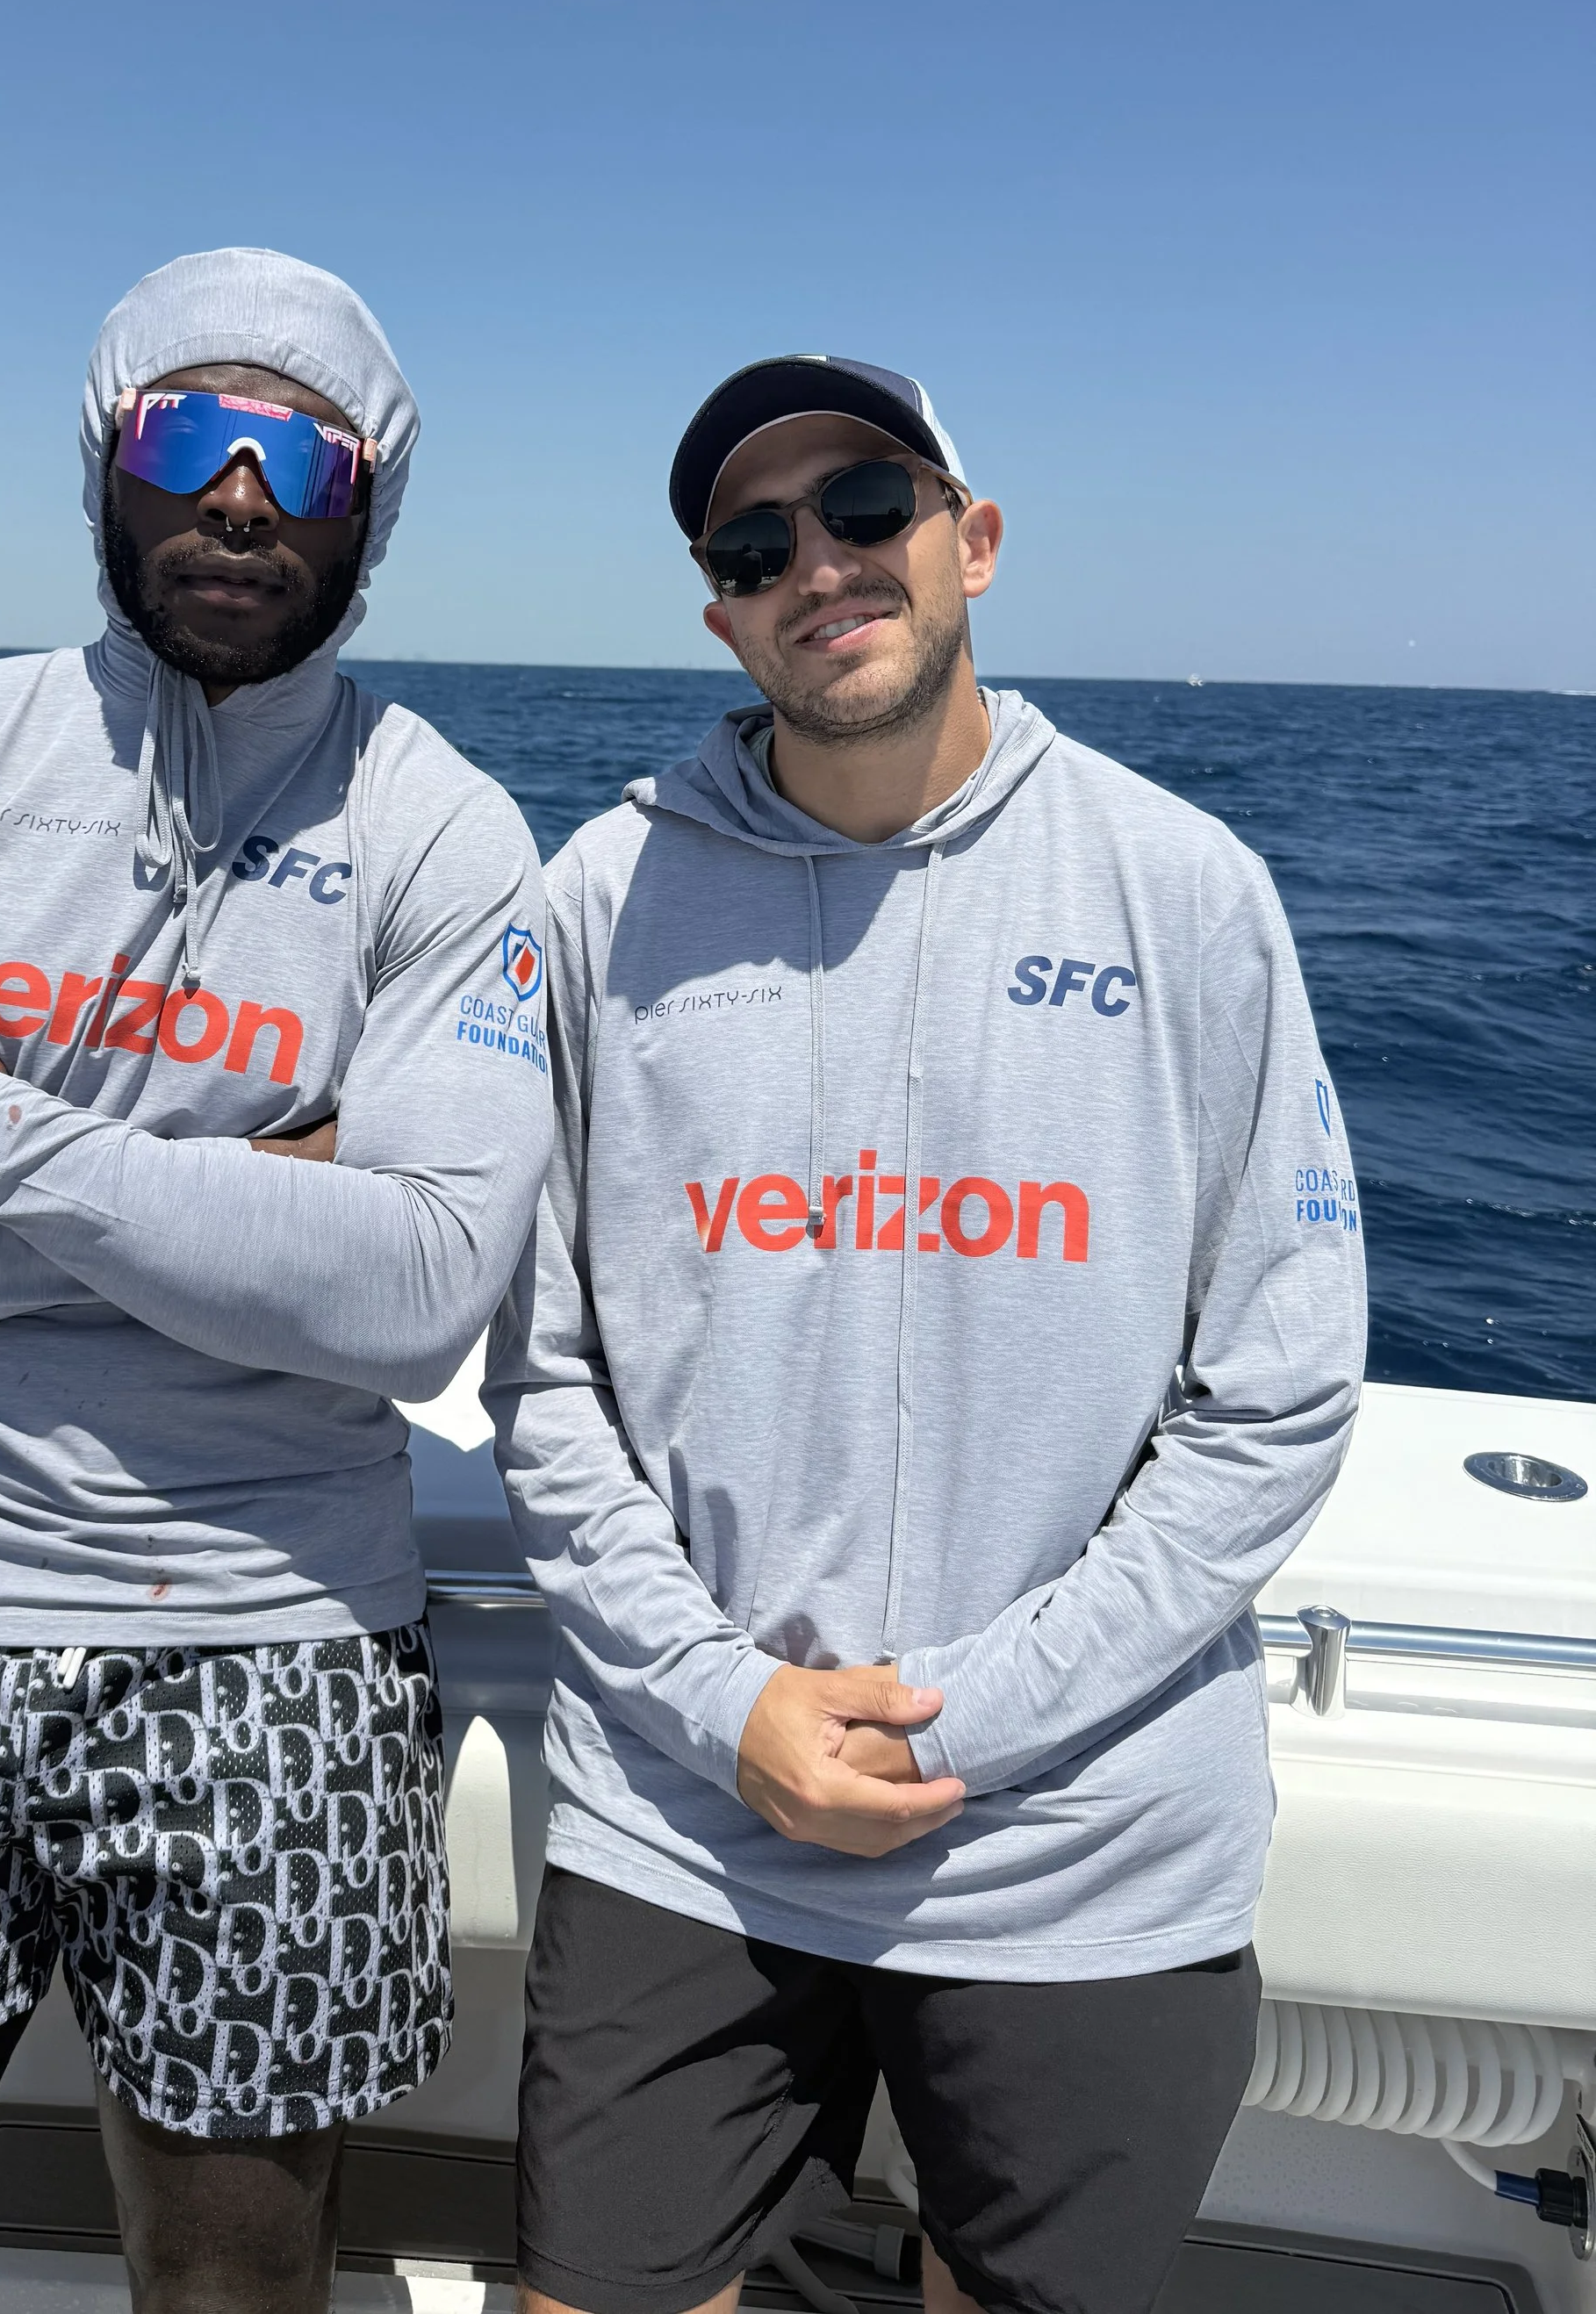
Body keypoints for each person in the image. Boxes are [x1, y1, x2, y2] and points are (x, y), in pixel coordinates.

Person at [0, 248, 555, 2314]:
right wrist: (239, 1211)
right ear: (104, 461)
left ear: (365, 505)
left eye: (297, 457)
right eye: (185, 433)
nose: (237, 493)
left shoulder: (443, 831)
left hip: (273, 1633)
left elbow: (411, 1295)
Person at [488, 353, 1366, 2314]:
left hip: (1078, 1831)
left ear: (968, 538)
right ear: (718, 609)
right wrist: (731, 1708)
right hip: (691, 1807)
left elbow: (1275, 1398)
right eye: (753, 540)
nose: (819, 561)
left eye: (866, 507)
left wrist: (966, 1717)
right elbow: (546, 1382)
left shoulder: (1184, 893)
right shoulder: (593, 903)